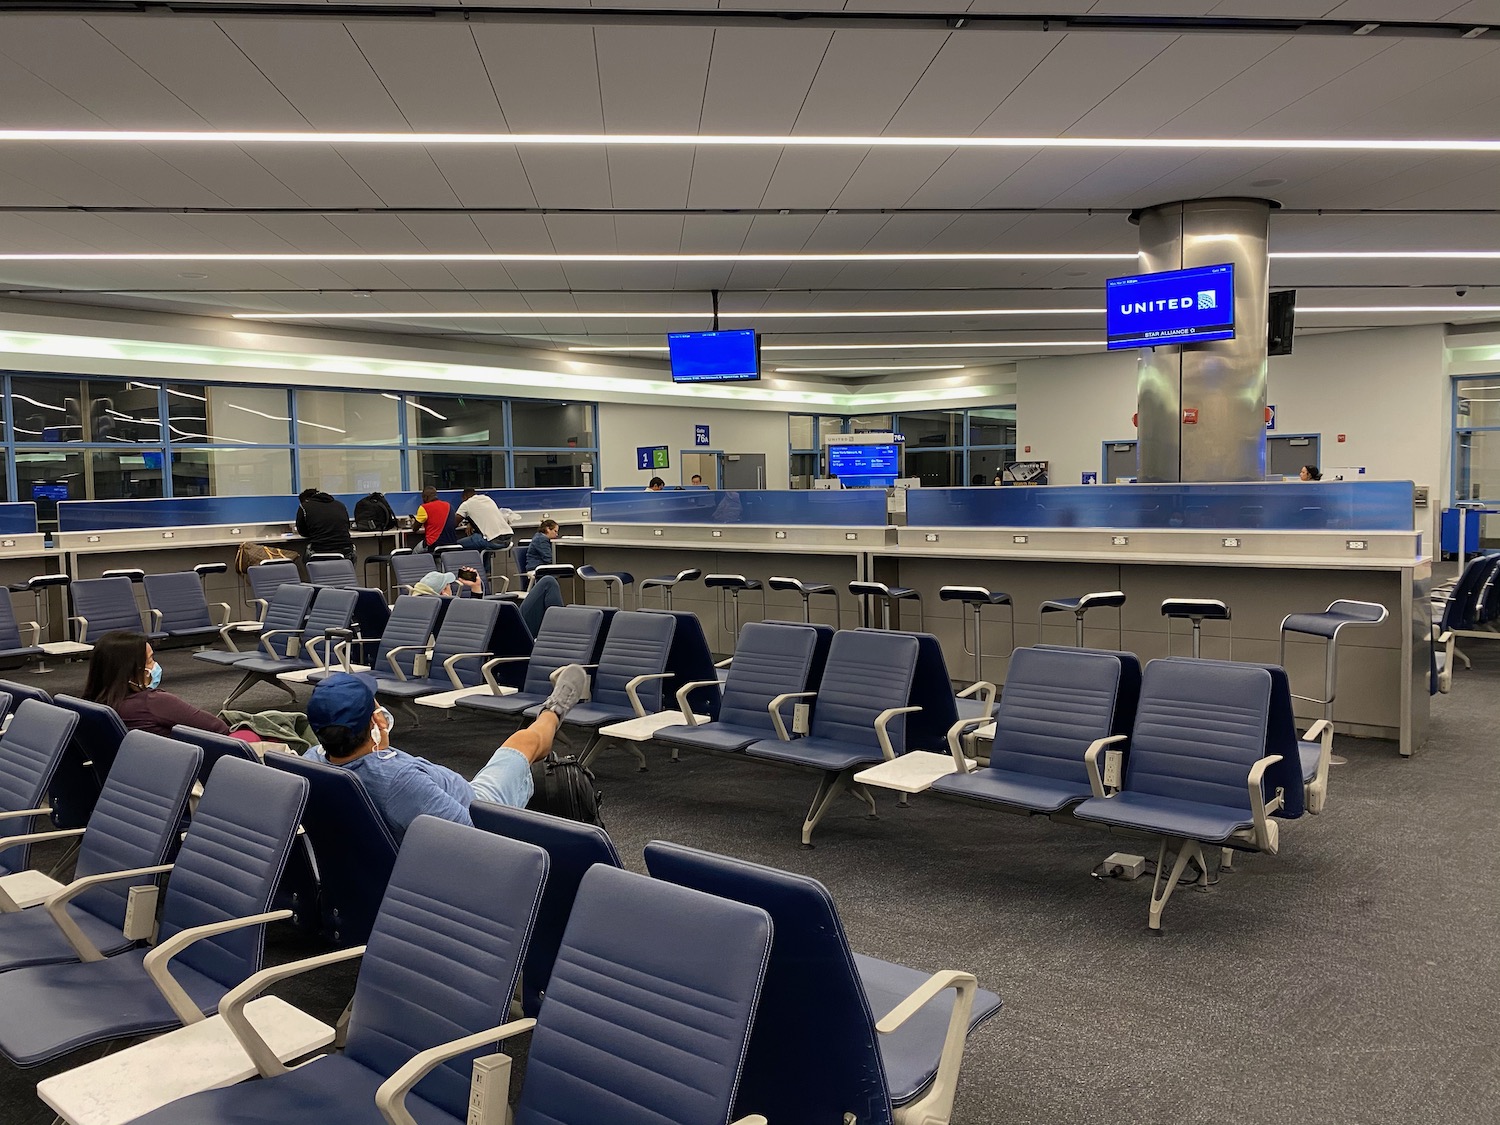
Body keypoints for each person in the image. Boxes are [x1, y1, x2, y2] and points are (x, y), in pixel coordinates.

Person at [304, 667, 587, 840]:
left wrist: (383, 751)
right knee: (524, 743)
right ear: (374, 722)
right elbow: (471, 837)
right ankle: (553, 710)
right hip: (479, 804)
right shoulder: (399, 782)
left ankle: (550, 712)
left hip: (416, 808)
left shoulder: (312, 763)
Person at [82, 630, 233, 738]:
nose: (155, 665)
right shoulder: (153, 703)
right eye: (150, 660)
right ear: (132, 669)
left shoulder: (91, 705)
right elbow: (219, 729)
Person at [294, 487, 353, 560]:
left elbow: (302, 531)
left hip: (320, 550)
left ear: (306, 499)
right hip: (346, 551)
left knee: (303, 559)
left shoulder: (304, 506)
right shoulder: (340, 505)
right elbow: (346, 526)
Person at [455, 488, 515, 552]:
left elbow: (454, 523)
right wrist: (471, 523)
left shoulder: (466, 504)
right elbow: (485, 514)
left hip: (492, 540)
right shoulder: (487, 499)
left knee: (455, 546)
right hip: (507, 539)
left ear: (464, 497)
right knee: (483, 549)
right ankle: (483, 562)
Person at [412, 487, 454, 553]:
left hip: (433, 544)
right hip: (452, 544)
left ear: (425, 497)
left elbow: (415, 528)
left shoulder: (424, 507)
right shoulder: (449, 506)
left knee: (415, 552)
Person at [411, 568, 484, 598]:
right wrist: (476, 587)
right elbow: (475, 614)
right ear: (443, 592)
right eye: (449, 585)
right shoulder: (451, 611)